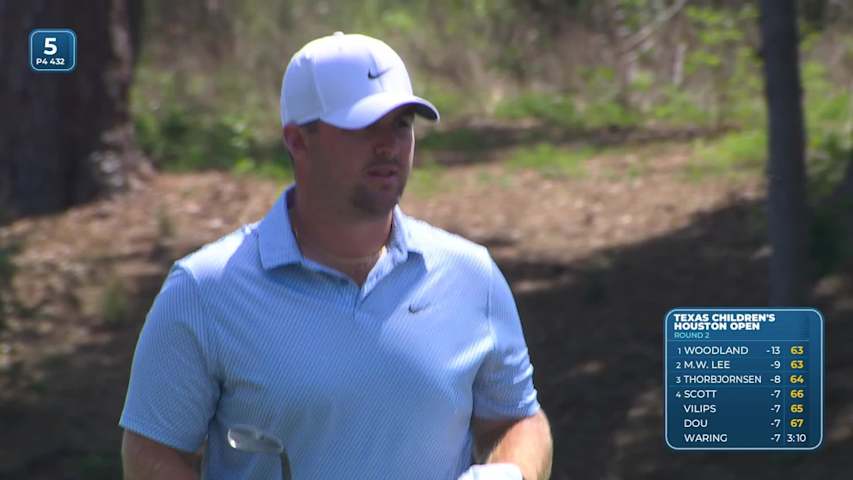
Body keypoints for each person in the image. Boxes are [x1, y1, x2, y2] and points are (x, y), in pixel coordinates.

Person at [119, 31, 552, 480]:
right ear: (298, 141)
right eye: (364, 126)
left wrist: (509, 474)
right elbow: (153, 451)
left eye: (402, 124)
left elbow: (519, 419)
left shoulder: (470, 276)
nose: (389, 145)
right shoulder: (204, 291)